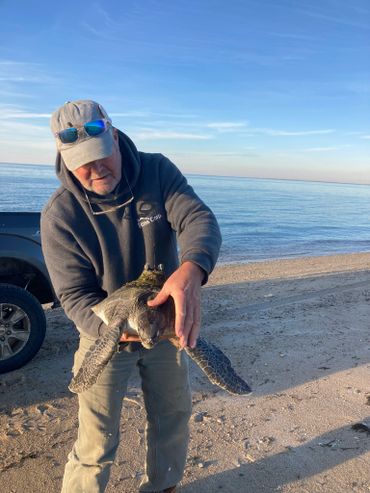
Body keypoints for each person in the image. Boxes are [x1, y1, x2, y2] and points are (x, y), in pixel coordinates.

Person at [41, 99, 221, 493]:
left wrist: (192, 270)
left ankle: (164, 486)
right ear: (64, 158)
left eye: (103, 155)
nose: (96, 168)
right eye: (82, 162)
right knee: (96, 440)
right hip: (107, 327)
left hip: (163, 318)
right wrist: (113, 331)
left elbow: (197, 218)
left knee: (173, 415)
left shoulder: (156, 171)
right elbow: (74, 297)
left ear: (116, 138)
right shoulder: (60, 215)